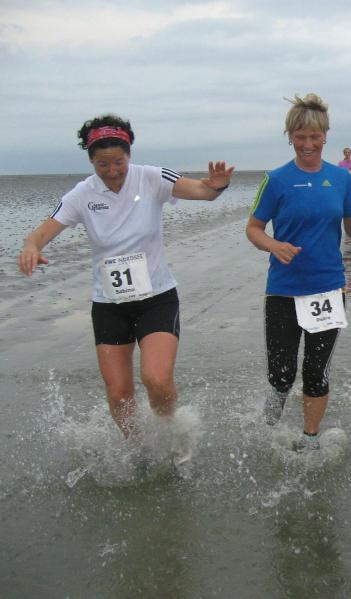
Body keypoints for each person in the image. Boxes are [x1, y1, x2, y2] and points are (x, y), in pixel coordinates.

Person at [17, 114, 234, 467]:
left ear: (129, 154)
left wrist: (217, 186)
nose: (112, 170)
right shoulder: (82, 194)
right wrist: (31, 246)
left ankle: (169, 433)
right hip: (109, 304)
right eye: (103, 164)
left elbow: (203, 191)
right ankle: (141, 449)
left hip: (156, 298)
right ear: (91, 160)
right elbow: (41, 233)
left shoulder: (151, 177)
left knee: (157, 380)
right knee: (119, 394)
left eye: (118, 161)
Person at [246, 93, 351, 452]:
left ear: (325, 136)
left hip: (328, 289)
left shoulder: (342, 178)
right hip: (283, 290)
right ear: (290, 137)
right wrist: (274, 246)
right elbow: (253, 228)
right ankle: (268, 422)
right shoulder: (276, 180)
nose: (308, 144)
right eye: (300, 137)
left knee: (316, 371)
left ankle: (310, 439)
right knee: (282, 375)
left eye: (315, 137)